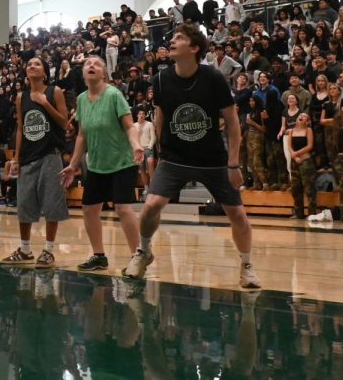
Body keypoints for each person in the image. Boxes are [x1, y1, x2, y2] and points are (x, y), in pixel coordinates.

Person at [120, 26, 259, 289]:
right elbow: (160, 117)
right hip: (175, 157)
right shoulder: (160, 80)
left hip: (213, 159)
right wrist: (161, 153)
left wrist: (233, 164)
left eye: (180, 38)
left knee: (238, 214)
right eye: (172, 37)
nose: (172, 41)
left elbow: (232, 122)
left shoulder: (213, 78)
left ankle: (247, 265)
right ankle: (143, 251)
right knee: (150, 206)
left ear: (194, 48)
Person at [60, 55, 141, 272]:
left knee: (123, 208)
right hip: (96, 164)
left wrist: (136, 146)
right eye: (88, 64)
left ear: (104, 73)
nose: (91, 66)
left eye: (96, 64)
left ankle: (138, 256)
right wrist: (74, 164)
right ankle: (99, 256)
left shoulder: (114, 95)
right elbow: (82, 136)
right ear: (84, 73)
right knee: (89, 209)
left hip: (123, 161)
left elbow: (129, 126)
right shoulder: (81, 100)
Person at [2, 57, 70, 268]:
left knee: (51, 205)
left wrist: (45, 103)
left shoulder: (55, 92)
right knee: (24, 205)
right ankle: (25, 249)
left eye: (37, 64)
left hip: (50, 155)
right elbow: (21, 128)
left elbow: (65, 123)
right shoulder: (21, 97)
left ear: (45, 72)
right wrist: (16, 158)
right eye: (29, 63)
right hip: (27, 158)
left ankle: (48, 251)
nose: (32, 65)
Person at [286, 112, 318, 218]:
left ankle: (312, 213)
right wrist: (294, 156)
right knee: (295, 188)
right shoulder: (291, 131)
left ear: (307, 121)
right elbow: (289, 146)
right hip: (294, 161)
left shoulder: (308, 130)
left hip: (306, 162)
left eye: (304, 116)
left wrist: (297, 154)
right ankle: (298, 213)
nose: (301, 117)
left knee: (309, 188)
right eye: (300, 115)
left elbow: (310, 146)